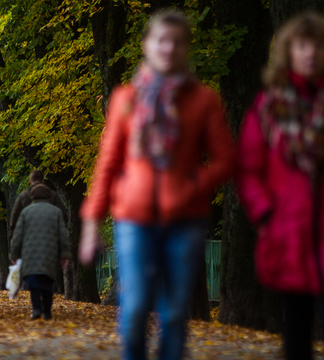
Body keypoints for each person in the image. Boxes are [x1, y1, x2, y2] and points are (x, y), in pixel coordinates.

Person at [78, 10, 234, 360]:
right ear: (148, 45)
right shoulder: (126, 99)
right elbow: (107, 165)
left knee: (175, 314)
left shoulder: (203, 100)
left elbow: (227, 159)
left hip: (185, 220)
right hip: (134, 219)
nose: (169, 48)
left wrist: (196, 183)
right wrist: (91, 223)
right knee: (134, 309)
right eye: (162, 40)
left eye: (177, 42)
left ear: (186, 49)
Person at [236, 12, 324, 360]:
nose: (310, 54)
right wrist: (265, 213)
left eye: (317, 46)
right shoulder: (268, 106)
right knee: (296, 332)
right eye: (302, 46)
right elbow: (249, 168)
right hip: (288, 230)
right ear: (289, 51)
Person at [10, 185, 71, 320]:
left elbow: (18, 235)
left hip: (30, 252)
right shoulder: (56, 212)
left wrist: (14, 254)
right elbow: (63, 234)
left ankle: (36, 309)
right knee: (47, 281)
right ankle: (47, 311)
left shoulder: (26, 212)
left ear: (32, 196)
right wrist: (64, 254)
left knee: (33, 282)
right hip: (50, 252)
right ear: (48, 196)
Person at [10, 170, 68, 240]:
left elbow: (15, 218)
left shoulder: (23, 196)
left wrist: (14, 237)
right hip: (49, 237)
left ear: (30, 181)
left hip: (28, 238)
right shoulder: (52, 195)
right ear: (43, 181)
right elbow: (63, 215)